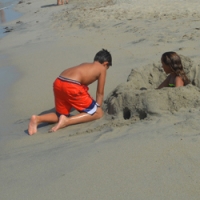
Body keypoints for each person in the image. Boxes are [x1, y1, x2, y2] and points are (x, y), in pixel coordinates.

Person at [28, 49, 112, 135]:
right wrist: (98, 108)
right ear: (105, 64)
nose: (106, 69)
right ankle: (67, 121)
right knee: (98, 113)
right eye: (107, 67)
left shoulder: (85, 65)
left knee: (60, 114)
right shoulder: (102, 69)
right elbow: (100, 93)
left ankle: (37, 119)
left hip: (59, 82)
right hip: (72, 85)